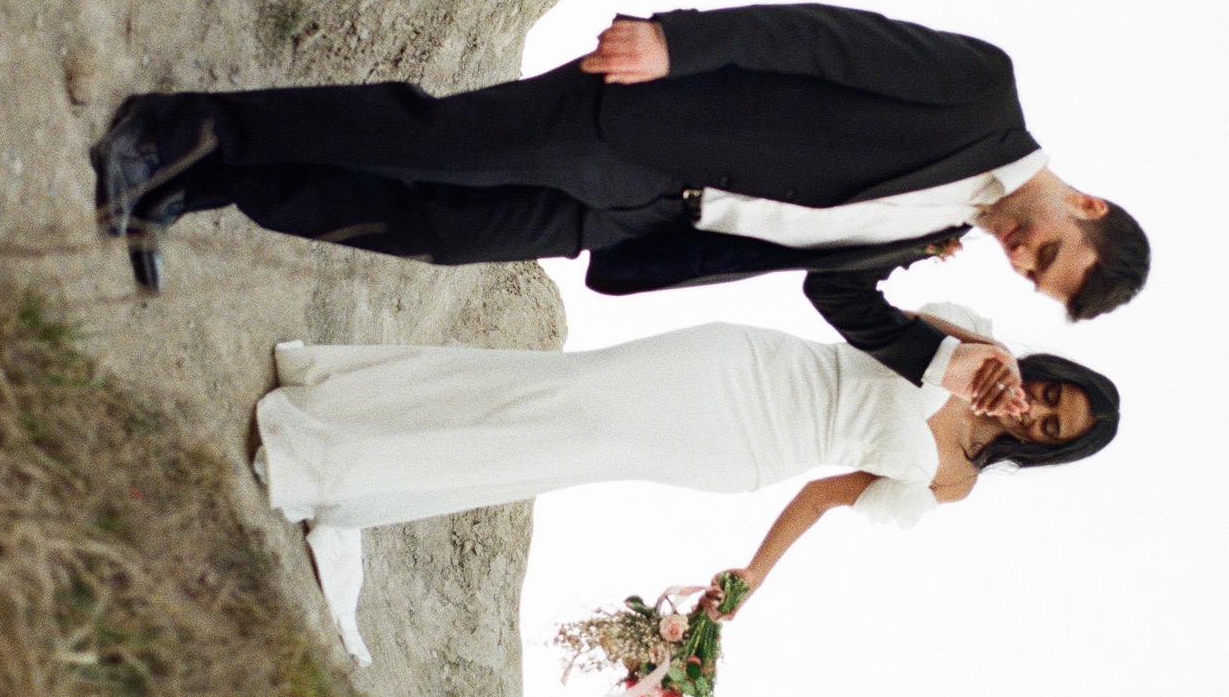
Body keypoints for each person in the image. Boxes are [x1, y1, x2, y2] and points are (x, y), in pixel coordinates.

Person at [91, 4, 1152, 346]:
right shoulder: (980, 94)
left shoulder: (942, 231)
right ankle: (173, 127)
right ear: (1086, 201)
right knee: (420, 139)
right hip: (648, 122)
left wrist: (937, 355)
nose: (1022, 253)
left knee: (432, 228)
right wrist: (678, 43)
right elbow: (830, 40)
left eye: (1030, 275)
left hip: (635, 220)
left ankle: (199, 181)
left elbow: (834, 288)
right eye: (1048, 246)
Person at [253, 283, 1119, 661]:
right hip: (739, 370)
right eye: (1047, 392)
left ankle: (346, 455)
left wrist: (752, 575)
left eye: (1047, 426)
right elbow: (873, 317)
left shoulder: (954, 482)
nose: (1032, 410)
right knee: (557, 392)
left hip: (744, 451)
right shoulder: (966, 336)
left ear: (1043, 447)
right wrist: (965, 355)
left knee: (563, 451)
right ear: (1044, 370)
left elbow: (828, 490)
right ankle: (334, 412)